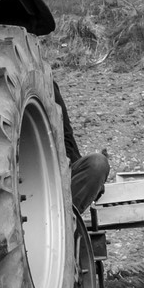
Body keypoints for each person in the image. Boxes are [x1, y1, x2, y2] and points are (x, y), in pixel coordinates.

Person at [54, 80, 110, 216]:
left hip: (54, 177)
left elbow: (67, 140)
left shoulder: (47, 86)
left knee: (97, 164)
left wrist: (89, 182)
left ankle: (66, 220)